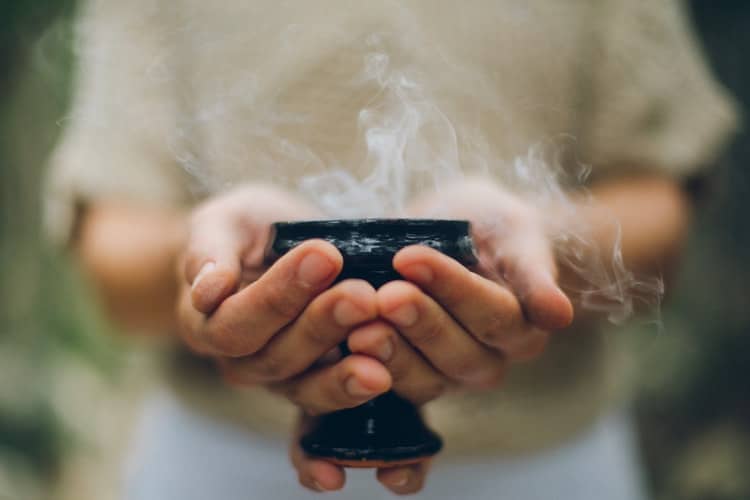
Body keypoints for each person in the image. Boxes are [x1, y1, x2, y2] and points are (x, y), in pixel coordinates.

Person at [45, 0, 737, 498]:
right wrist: (205, 272)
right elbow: (114, 255)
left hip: (543, 467)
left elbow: (657, 219)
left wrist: (537, 249)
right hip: (221, 467)